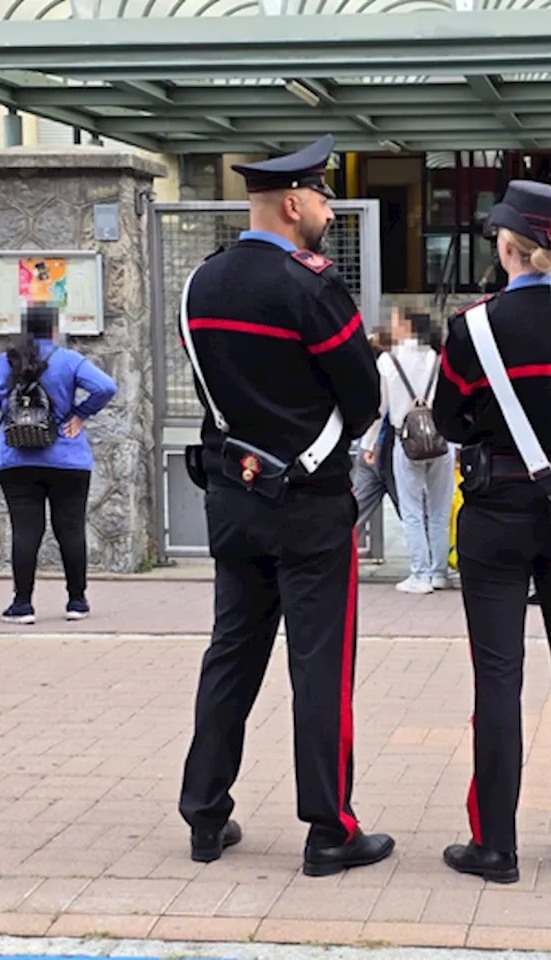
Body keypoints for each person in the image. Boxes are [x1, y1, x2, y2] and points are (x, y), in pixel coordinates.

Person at [177, 134, 393, 877]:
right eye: (326, 199)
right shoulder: (312, 287)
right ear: (295, 203)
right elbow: (364, 400)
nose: (330, 212)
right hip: (310, 504)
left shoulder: (200, 284)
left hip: (234, 501)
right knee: (319, 668)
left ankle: (205, 815)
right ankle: (329, 831)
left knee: (231, 655)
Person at [433, 180, 551, 883]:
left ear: (507, 247)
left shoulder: (472, 328)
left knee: (498, 679)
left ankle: (496, 847)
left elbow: (449, 422)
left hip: (497, 511)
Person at [0, 305, 117, 624]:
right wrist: (79, 415)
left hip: (16, 458)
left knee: (25, 530)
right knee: (70, 528)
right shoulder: (69, 360)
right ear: (54, 330)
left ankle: (22, 605)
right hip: (68, 458)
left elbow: (0, 402)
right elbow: (106, 387)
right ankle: (77, 601)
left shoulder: (4, 362)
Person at [363, 307, 454, 594]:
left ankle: (420, 573)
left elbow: (378, 409)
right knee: (439, 510)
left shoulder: (388, 361)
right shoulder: (439, 358)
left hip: (407, 441)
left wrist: (369, 445)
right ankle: (439, 572)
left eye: (394, 320)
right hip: (442, 441)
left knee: (413, 509)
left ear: (406, 325)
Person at [353, 331, 400, 531]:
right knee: (412, 512)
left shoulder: (374, 371)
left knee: (356, 513)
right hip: (390, 448)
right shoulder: (395, 368)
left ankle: (343, 556)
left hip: (368, 447)